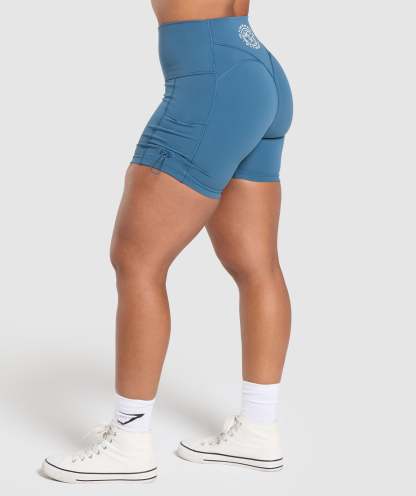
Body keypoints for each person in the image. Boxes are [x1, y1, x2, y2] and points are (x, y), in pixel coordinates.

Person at [42, 0, 293, 482]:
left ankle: (129, 442)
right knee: (256, 264)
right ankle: (259, 430)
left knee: (137, 260)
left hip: (210, 79)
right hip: (253, 64)